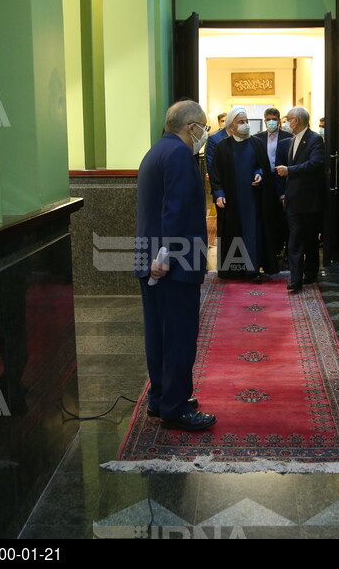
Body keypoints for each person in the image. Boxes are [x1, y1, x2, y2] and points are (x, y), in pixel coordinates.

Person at [135, 100, 217, 431]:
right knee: (179, 336)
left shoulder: (155, 151)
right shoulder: (181, 155)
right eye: (204, 127)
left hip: (152, 260)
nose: (205, 133)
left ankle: (160, 397)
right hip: (172, 265)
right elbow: (177, 211)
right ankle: (176, 406)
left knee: (158, 334)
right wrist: (165, 259)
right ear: (191, 127)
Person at [210, 106, 280, 280]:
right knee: (233, 233)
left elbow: (262, 166)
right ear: (231, 126)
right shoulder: (222, 147)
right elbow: (216, 173)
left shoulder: (256, 143)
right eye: (241, 122)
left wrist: (260, 174)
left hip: (253, 199)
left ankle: (254, 269)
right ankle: (235, 270)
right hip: (231, 200)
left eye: (246, 121)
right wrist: (219, 193)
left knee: (252, 233)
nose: (245, 125)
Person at [275, 106, 325, 293]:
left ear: (296, 121)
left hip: (310, 201)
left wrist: (290, 171)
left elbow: (315, 164)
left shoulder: (315, 139)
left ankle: (310, 273)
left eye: (288, 119)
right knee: (295, 239)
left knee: (311, 239)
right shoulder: (290, 140)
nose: (285, 122)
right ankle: (295, 278)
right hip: (293, 201)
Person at [254, 107, 292, 264]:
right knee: (269, 216)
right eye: (268, 119)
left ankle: (287, 250)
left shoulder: (288, 137)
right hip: (266, 181)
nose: (271, 122)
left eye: (274, 119)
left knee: (285, 217)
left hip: (283, 179)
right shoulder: (257, 138)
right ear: (265, 120)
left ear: (279, 120)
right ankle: (272, 249)